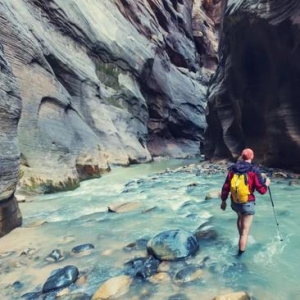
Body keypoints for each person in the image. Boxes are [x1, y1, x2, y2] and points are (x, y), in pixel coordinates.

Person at [220, 148, 271, 256]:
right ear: (252, 157)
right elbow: (262, 190)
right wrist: (266, 183)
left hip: (235, 202)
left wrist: (223, 201)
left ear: (242, 157)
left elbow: (226, 187)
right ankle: (240, 255)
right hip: (247, 203)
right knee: (245, 232)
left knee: (239, 217)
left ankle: (240, 238)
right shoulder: (254, 170)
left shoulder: (233, 169)